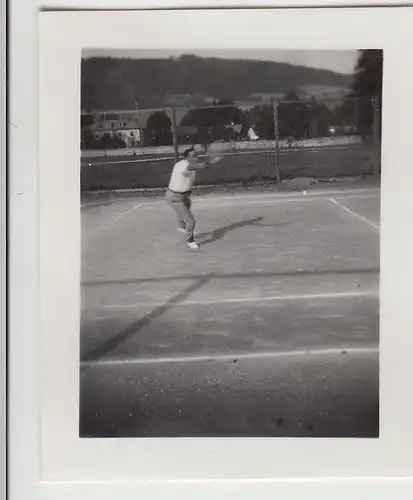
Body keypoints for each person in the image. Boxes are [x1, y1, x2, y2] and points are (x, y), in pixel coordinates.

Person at [165, 147, 216, 249]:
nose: (196, 158)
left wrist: (204, 164)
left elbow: (189, 176)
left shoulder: (192, 166)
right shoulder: (182, 165)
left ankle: (181, 226)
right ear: (187, 157)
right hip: (174, 197)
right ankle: (190, 241)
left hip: (184, 195)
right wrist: (203, 165)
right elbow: (190, 167)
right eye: (194, 156)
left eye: (197, 155)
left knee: (187, 206)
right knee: (191, 221)